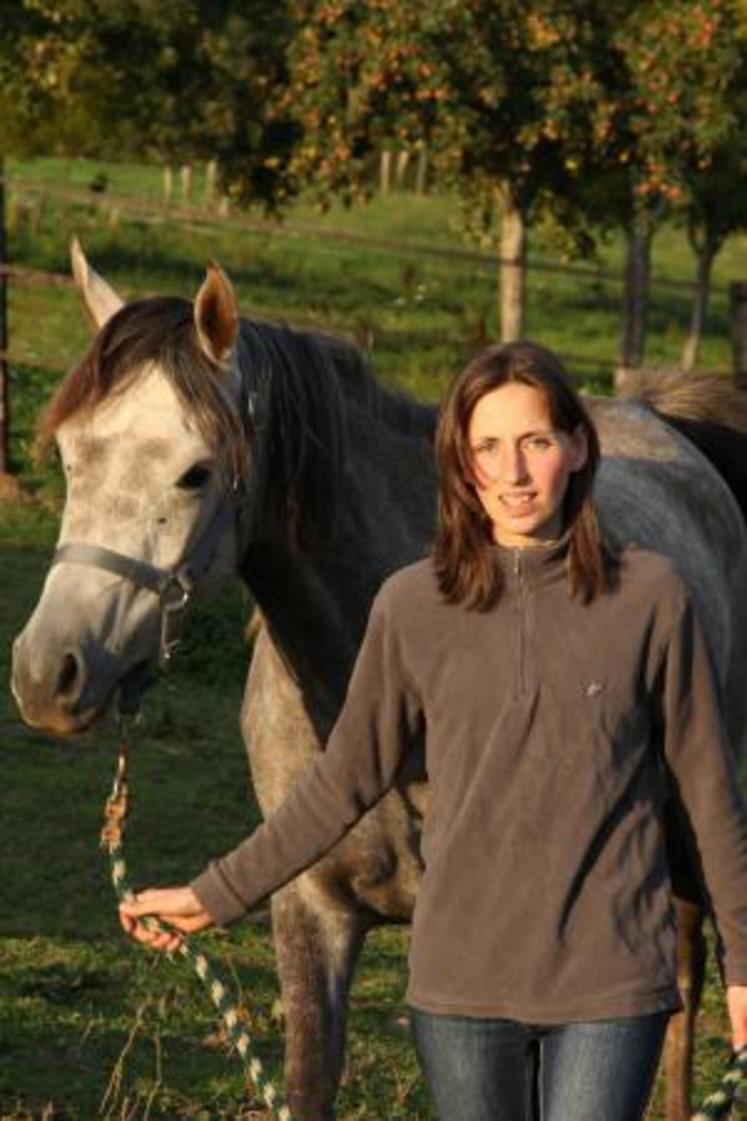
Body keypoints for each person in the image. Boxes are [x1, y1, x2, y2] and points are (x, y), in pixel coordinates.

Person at [120, 341, 747, 1121]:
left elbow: (706, 788)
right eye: (487, 447)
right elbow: (341, 778)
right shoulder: (412, 606)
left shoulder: (651, 594)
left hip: (610, 982)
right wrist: (215, 893)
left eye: (536, 442)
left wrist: (739, 963)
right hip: (460, 992)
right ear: (460, 461)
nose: (513, 473)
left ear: (579, 447)